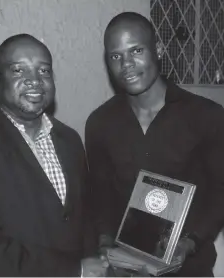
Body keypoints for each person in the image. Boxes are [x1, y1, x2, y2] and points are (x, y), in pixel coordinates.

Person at [85, 12, 224, 276]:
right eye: (116, 56)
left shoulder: (207, 116)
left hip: (190, 268)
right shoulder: (99, 123)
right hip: (125, 270)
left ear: (158, 50)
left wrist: (190, 243)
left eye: (136, 50)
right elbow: (99, 196)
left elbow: (221, 192)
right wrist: (104, 245)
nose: (126, 64)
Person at [0, 34, 108, 277]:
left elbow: (83, 218)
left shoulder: (70, 140)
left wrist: (95, 258)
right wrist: (74, 270)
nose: (34, 81)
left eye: (44, 71)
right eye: (18, 70)